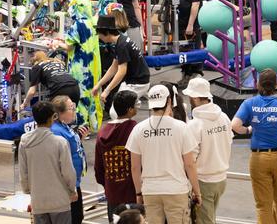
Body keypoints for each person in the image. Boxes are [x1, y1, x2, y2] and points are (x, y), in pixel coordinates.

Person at [231, 69, 277, 224]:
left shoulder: (249, 104)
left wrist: (248, 130)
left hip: (259, 159)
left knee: (263, 205)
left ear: (258, 84)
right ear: (276, 85)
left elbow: (234, 125)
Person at [126, 85, 201, 224]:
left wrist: (138, 193)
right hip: (176, 190)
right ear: (169, 101)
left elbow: (135, 167)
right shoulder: (181, 127)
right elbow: (190, 164)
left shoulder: (138, 129)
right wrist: (197, 192)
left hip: (150, 191)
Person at [183, 77, 233, 224]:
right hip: (221, 179)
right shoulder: (223, 117)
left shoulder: (195, 125)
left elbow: (190, 160)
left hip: (203, 181)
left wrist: (194, 188)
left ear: (196, 98)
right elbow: (228, 141)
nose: (189, 99)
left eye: (190, 96)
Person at [19, 101, 78, 224]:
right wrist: (72, 190)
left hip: (38, 200)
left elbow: (23, 171)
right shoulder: (60, 142)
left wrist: (28, 191)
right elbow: (68, 172)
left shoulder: (25, 142)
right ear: (52, 118)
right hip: (60, 200)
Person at [95, 90, 139, 222]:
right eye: (136, 104)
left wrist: (107, 185)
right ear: (130, 110)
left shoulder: (102, 132)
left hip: (112, 191)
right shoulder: (134, 128)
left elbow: (99, 166)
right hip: (132, 190)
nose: (138, 106)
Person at [93, 14, 151, 114]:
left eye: (99, 33)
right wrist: (99, 85)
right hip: (137, 80)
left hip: (137, 83)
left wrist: (106, 91)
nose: (98, 36)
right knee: (120, 111)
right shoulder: (121, 41)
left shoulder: (122, 45)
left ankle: (131, 109)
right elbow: (114, 67)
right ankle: (132, 106)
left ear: (106, 32)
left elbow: (121, 71)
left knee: (115, 112)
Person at [51, 96, 87, 224]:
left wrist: (80, 138)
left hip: (74, 182)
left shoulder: (65, 126)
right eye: (71, 108)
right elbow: (60, 162)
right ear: (60, 113)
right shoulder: (56, 131)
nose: (74, 111)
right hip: (66, 185)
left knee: (78, 217)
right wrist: (70, 188)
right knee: (73, 219)